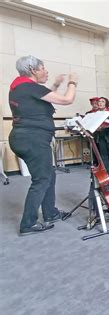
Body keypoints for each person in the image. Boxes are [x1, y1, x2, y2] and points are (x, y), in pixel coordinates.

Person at [9, 55, 77, 235]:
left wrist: (55, 85)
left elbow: (43, 96)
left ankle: (50, 213)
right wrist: (72, 83)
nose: (45, 71)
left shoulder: (20, 87)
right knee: (41, 180)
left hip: (23, 137)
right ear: (33, 70)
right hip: (33, 139)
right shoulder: (29, 87)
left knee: (49, 175)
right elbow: (66, 100)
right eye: (43, 68)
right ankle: (28, 224)